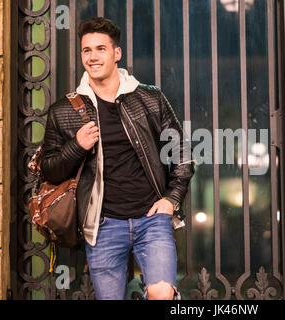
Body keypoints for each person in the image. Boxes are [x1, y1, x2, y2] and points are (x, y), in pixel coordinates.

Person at [41, 17, 194, 300]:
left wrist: (171, 200)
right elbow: (48, 170)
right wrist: (77, 146)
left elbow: (181, 152)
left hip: (152, 219)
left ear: (117, 53)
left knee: (162, 293)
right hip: (103, 226)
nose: (93, 57)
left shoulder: (149, 99)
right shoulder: (63, 110)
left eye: (100, 49)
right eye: (87, 50)